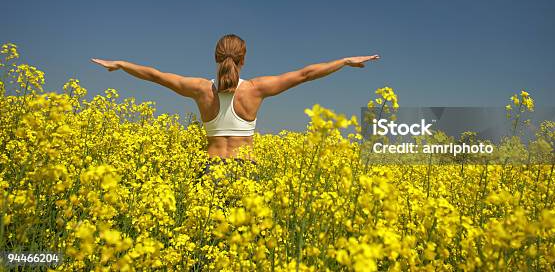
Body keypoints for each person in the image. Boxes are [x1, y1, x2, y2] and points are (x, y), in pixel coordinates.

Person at [91, 34, 379, 162]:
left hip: (210, 171)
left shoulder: (200, 89)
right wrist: (343, 61)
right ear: (243, 58)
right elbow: (306, 74)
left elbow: (155, 75)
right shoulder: (255, 88)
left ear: (216, 57)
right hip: (246, 175)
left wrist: (121, 64)